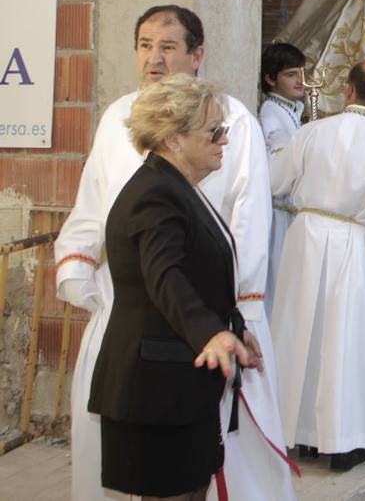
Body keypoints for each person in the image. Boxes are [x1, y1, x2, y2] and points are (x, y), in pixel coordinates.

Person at [55, 4, 293, 501]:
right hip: (153, 341)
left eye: (167, 47)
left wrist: (237, 315)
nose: (154, 59)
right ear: (172, 138)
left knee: (196, 471)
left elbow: (244, 224)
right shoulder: (136, 152)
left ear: (196, 54)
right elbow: (153, 261)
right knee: (164, 478)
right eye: (145, 46)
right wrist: (81, 274)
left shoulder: (229, 122)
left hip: (195, 333)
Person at [90, 75, 261, 499]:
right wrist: (211, 333)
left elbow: (199, 274)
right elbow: (164, 276)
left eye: (225, 129)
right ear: (172, 138)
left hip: (182, 380)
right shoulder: (156, 194)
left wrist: (233, 329)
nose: (224, 140)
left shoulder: (180, 188)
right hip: (154, 386)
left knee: (192, 486)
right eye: (213, 131)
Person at [269, 61, 365, 471]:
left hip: (305, 237)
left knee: (298, 334)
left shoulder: (311, 132)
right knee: (346, 341)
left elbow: (275, 181)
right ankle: (342, 441)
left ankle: (294, 433)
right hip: (355, 242)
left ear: (348, 90)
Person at [259, 40, 307, 314]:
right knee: (278, 292)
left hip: (288, 213)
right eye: (291, 75)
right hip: (280, 215)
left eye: (302, 73)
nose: (301, 81)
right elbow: (277, 176)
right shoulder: (272, 115)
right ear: (270, 78)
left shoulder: (289, 111)